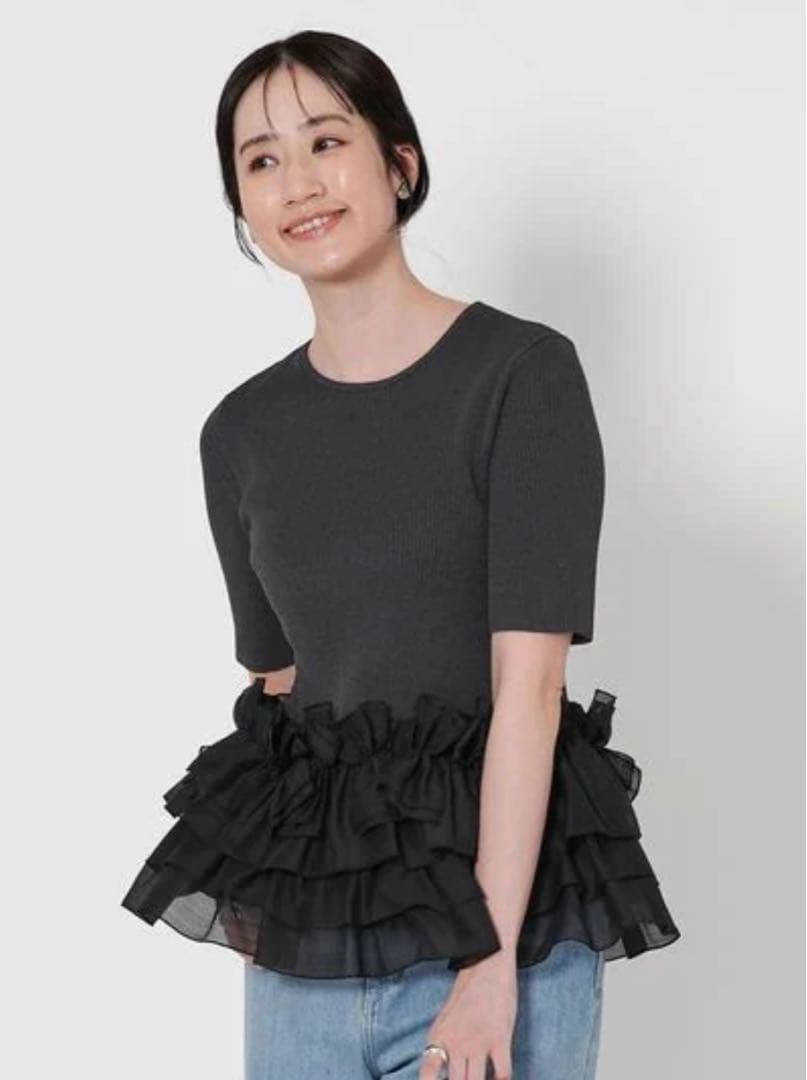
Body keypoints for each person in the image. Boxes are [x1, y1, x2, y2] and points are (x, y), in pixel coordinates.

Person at [120, 29, 681, 1080]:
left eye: (326, 141)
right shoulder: (239, 432)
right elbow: (284, 684)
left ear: (400, 164)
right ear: (242, 205)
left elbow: (530, 688)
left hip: (509, 928)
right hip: (314, 940)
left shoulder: (520, 375)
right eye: (261, 159)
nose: (298, 182)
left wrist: (489, 968)